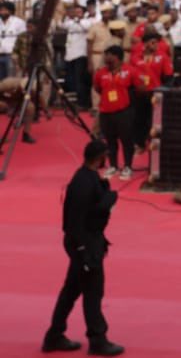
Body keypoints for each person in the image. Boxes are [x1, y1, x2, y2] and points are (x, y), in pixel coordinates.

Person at [44, 139, 124, 356]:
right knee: (93, 292)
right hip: (85, 244)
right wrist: (82, 251)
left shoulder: (86, 178)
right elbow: (75, 221)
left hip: (84, 242)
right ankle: (97, 339)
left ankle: (54, 335)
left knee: (71, 290)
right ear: (99, 158)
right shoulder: (83, 183)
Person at [92, 47, 136, 180]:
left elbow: (135, 89)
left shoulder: (130, 71)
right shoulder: (100, 73)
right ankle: (113, 166)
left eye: (108, 55)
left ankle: (128, 166)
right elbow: (98, 88)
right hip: (106, 112)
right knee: (110, 140)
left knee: (126, 140)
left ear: (117, 57)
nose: (105, 58)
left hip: (124, 112)